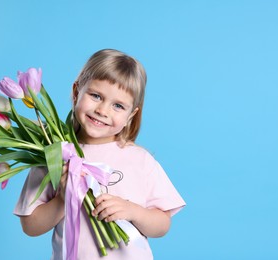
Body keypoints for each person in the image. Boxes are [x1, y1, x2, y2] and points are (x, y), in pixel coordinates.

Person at [14, 49, 186, 259]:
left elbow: (162, 224)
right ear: (76, 92)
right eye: (96, 96)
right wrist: (62, 199)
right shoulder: (54, 155)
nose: (103, 110)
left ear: (131, 115)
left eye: (118, 106)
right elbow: (30, 226)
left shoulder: (141, 160)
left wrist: (133, 211)